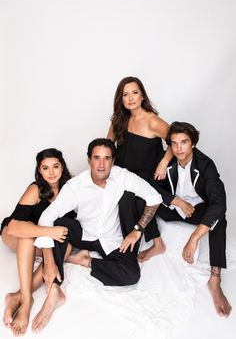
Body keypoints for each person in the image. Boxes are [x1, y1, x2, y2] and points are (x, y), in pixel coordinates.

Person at [32, 138, 162, 332]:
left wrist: (137, 230)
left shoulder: (122, 176)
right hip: (84, 233)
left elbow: (154, 197)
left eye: (107, 158)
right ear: (89, 160)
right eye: (97, 158)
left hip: (111, 238)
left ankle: (84, 260)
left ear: (113, 161)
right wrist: (49, 259)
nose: (101, 164)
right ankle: (54, 292)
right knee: (59, 224)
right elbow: (46, 217)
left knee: (132, 275)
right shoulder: (75, 186)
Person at [154, 121, 232, 317]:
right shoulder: (166, 162)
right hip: (174, 207)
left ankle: (215, 279)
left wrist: (194, 238)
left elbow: (219, 202)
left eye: (184, 142)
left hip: (197, 209)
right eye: (174, 143)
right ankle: (153, 245)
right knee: (139, 199)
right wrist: (178, 201)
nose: (179, 148)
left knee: (219, 219)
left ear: (193, 144)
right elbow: (150, 185)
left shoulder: (205, 165)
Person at [1, 148, 73, 336]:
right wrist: (49, 231)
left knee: (66, 249)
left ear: (62, 166)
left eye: (55, 166)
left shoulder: (70, 187)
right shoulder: (36, 189)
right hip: (17, 234)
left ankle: (17, 296)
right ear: (39, 170)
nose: (51, 173)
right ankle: (26, 303)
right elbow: (15, 227)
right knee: (27, 238)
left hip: (41, 240)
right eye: (45, 168)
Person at [107, 76, 172, 261]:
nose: (130, 98)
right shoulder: (119, 120)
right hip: (122, 172)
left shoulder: (153, 121)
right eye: (125, 94)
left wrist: (163, 162)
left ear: (142, 95)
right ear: (120, 99)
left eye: (134, 93)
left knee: (131, 199)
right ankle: (122, 245)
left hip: (147, 175)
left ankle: (146, 247)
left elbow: (175, 142)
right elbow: (108, 145)